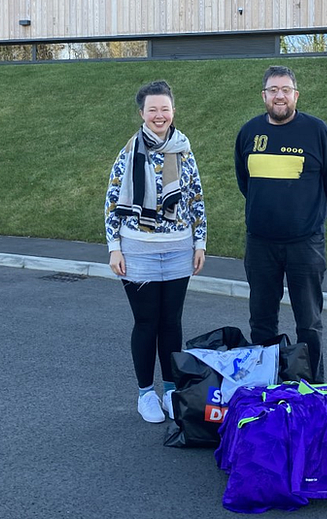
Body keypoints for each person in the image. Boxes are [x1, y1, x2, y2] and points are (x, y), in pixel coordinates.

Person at [234, 66, 327, 384]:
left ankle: (312, 388)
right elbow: (246, 182)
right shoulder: (248, 133)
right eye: (273, 90)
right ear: (264, 96)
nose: (279, 95)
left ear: (296, 94)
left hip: (305, 245)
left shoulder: (317, 131)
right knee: (262, 322)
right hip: (260, 244)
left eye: (285, 89)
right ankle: (265, 386)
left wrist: (312, 219)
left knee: (308, 322)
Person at [105, 80, 207, 423]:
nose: (159, 115)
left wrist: (200, 242)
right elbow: (111, 202)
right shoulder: (129, 152)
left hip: (178, 248)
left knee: (172, 322)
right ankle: (145, 394)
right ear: (142, 114)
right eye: (153, 110)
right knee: (147, 322)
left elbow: (195, 197)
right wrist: (114, 248)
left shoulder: (183, 150)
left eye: (165, 109)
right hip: (137, 251)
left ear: (173, 111)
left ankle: (172, 389)